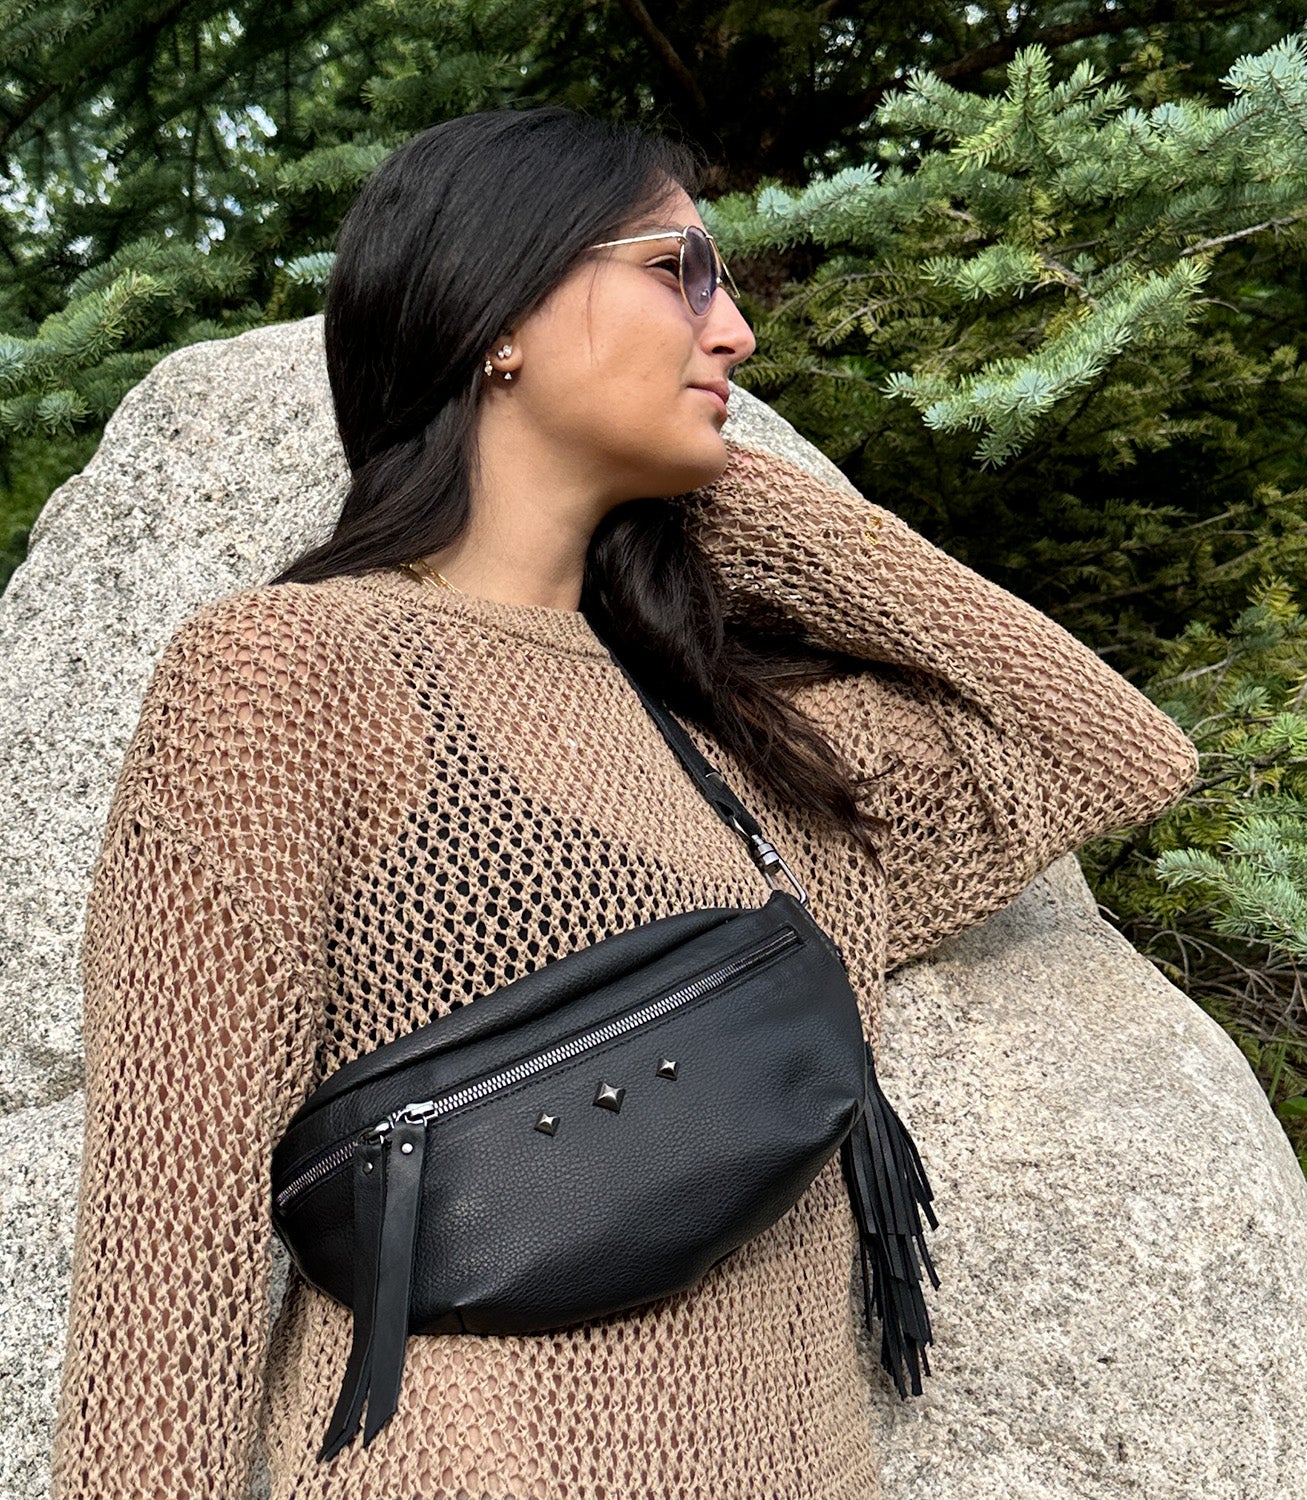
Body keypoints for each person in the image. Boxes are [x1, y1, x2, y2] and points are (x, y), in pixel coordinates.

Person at [48, 105, 1200, 1500]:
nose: (735, 334)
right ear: (499, 310)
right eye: (679, 270)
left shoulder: (740, 745)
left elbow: (1104, 743)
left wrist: (721, 498)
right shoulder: (292, 674)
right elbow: (171, 1243)